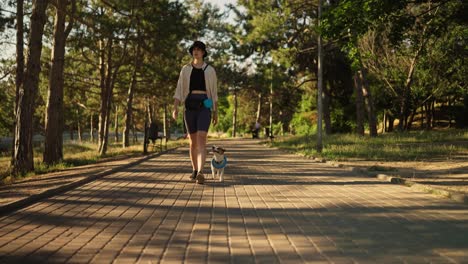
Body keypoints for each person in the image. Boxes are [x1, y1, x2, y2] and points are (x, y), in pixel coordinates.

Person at [172, 40, 218, 184]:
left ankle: (200, 172)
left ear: (203, 52)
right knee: (192, 142)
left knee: (202, 138)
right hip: (189, 104)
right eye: (194, 49)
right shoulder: (185, 69)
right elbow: (179, 90)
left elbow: (214, 93)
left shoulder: (210, 70)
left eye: (199, 49)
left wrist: (215, 111)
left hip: (205, 103)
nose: (196, 51)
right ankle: (194, 169)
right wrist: (175, 108)